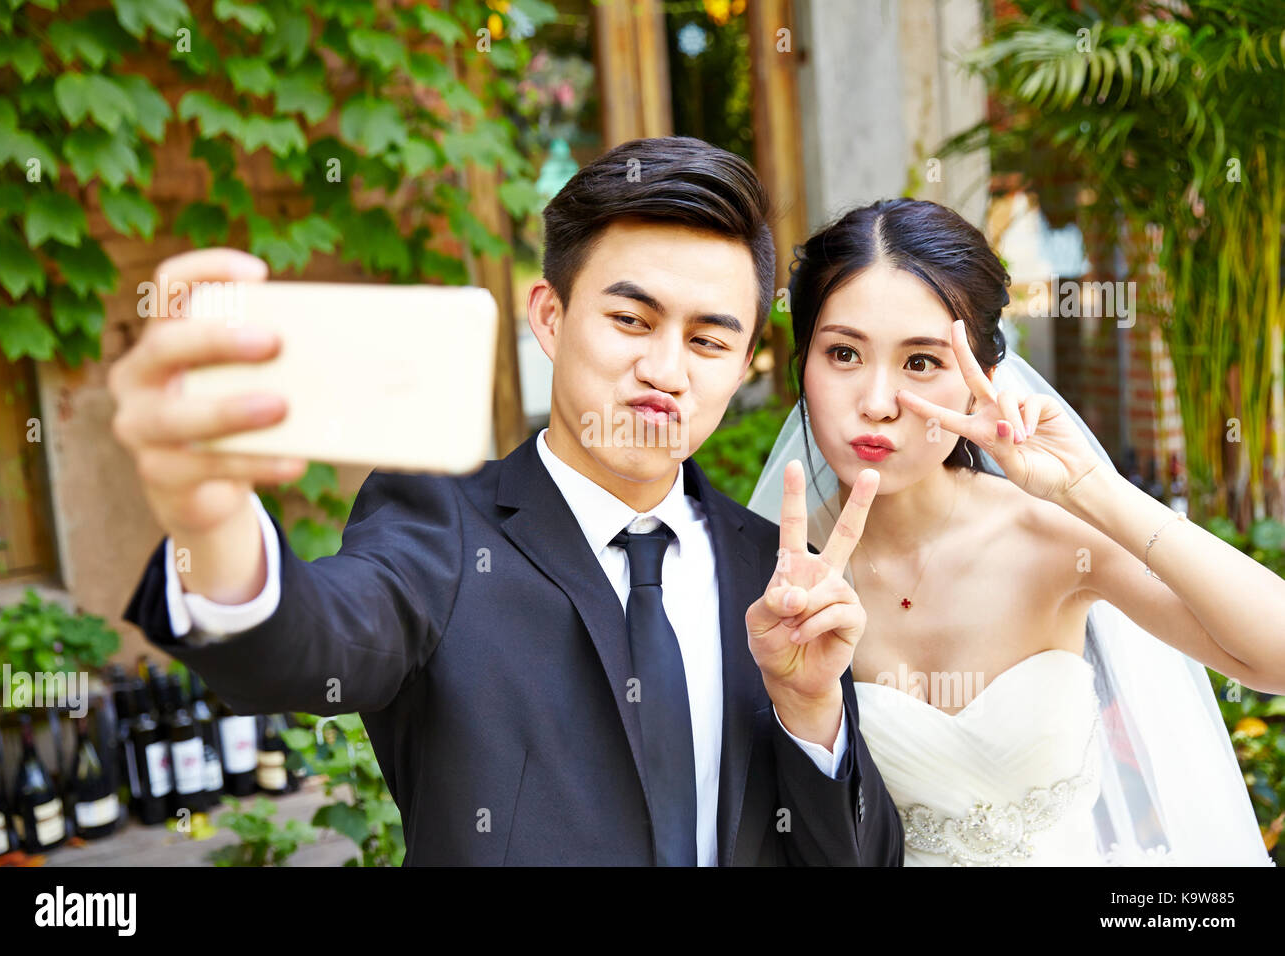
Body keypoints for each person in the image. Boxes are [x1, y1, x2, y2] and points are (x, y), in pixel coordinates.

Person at [112, 136, 903, 866]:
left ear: (742, 365)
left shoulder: (775, 574)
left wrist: (810, 711)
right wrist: (211, 522)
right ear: (550, 319)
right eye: (630, 320)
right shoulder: (441, 529)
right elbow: (306, 647)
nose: (666, 371)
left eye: (707, 341)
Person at [747, 197, 1281, 866]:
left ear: (981, 385)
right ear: (804, 365)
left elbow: (1276, 659)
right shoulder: (770, 583)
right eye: (844, 353)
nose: (877, 403)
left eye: (922, 363)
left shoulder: (1057, 539)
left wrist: (1094, 492)